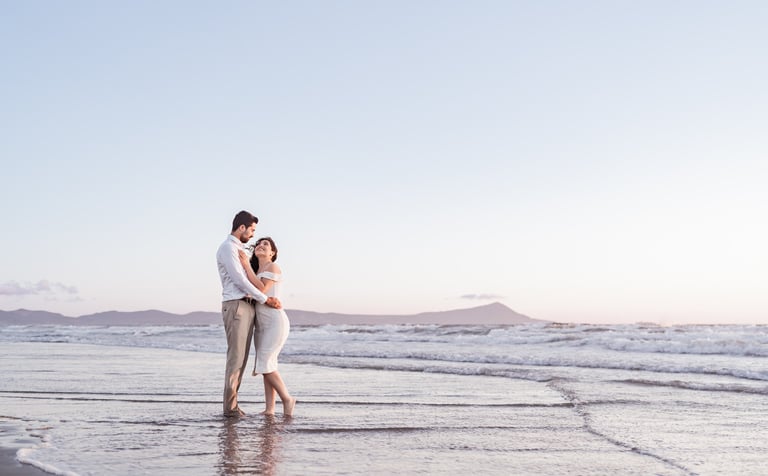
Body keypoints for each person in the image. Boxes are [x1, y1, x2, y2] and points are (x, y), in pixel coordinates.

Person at [216, 210, 282, 418]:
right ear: (242, 227)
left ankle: (233, 406)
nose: (253, 235)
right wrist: (265, 299)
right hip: (237, 305)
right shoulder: (228, 248)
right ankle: (231, 409)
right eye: (252, 230)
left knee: (242, 359)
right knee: (236, 358)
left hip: (247, 306)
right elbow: (239, 280)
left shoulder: (240, 250)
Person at [238, 236, 295, 416]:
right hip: (261, 324)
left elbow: (261, 290)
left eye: (266, 244)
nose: (261, 246)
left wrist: (246, 266)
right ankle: (270, 409)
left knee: (264, 362)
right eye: (259, 244)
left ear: (272, 253)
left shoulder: (272, 267)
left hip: (275, 322)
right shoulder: (255, 270)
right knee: (267, 365)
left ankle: (287, 399)